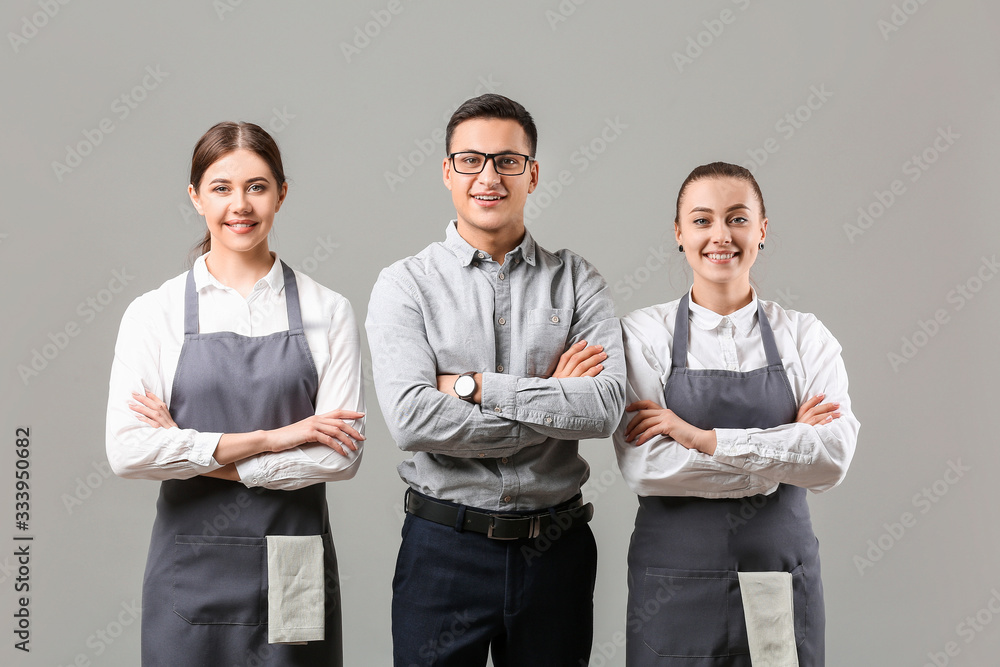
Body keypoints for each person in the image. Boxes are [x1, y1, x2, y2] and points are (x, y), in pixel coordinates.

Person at [366, 93, 625, 666]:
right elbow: (411, 419)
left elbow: (604, 407)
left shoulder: (577, 280)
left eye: (507, 161)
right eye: (470, 160)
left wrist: (473, 386)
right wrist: (552, 401)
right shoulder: (405, 285)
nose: (489, 176)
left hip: (555, 551)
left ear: (532, 174)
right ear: (447, 172)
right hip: (443, 551)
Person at [105, 121, 364, 666]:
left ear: (281, 194)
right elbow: (127, 452)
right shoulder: (155, 314)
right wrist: (274, 437)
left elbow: (339, 459)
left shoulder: (327, 312)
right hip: (190, 571)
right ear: (196, 196)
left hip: (293, 570)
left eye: (257, 186)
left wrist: (195, 450)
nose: (240, 205)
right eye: (221, 188)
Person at [614, 162, 859, 666]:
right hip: (672, 585)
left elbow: (831, 459)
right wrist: (782, 453)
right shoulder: (642, 334)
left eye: (738, 218)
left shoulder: (805, 337)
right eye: (702, 220)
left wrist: (703, 440)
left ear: (762, 230)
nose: (720, 235)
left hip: (776, 576)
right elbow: (647, 466)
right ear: (679, 233)